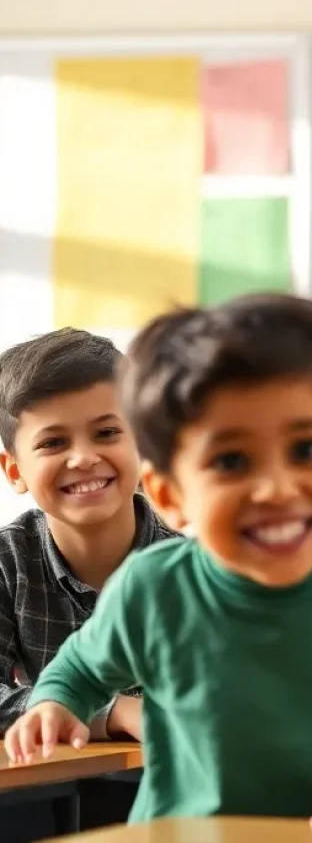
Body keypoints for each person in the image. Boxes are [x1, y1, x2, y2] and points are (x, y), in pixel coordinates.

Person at [4, 294, 312, 825]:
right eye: (231, 460)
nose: (275, 489)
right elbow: (75, 674)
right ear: (170, 494)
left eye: (305, 451)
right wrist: (53, 705)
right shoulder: (152, 586)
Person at [0, 328, 177, 833]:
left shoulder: (190, 570)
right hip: (46, 789)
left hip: (168, 791)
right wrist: (114, 712)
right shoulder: (7, 559)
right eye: (54, 442)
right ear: (15, 471)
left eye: (106, 433)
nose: (83, 458)